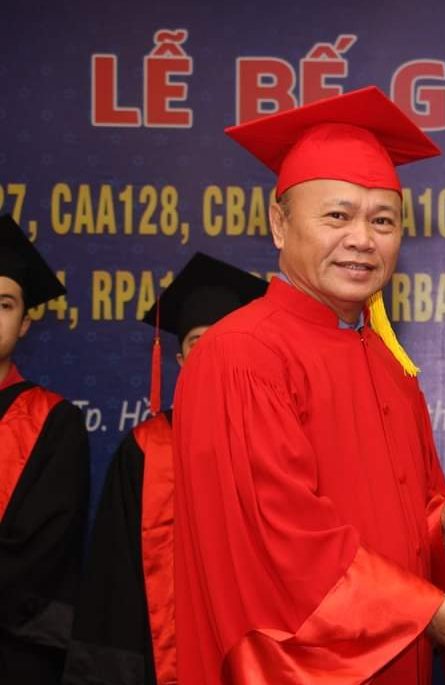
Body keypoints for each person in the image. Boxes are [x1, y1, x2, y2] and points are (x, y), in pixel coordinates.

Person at [171, 86, 445, 685]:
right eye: (337, 216)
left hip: (395, 656)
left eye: (382, 220)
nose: (363, 239)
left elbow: (393, 520)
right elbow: (282, 541)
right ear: (280, 224)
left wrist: (442, 534)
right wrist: (429, 610)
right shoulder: (242, 355)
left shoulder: (387, 361)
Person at [63, 252, 268, 685]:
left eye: (225, 339)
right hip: (164, 658)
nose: (211, 353)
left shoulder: (279, 441)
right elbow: (117, 579)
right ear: (180, 361)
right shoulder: (144, 449)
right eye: (197, 342)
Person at [0, 214, 89, 682]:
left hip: (14, 647)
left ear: (25, 323)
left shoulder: (56, 422)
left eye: (4, 304)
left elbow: (43, 550)